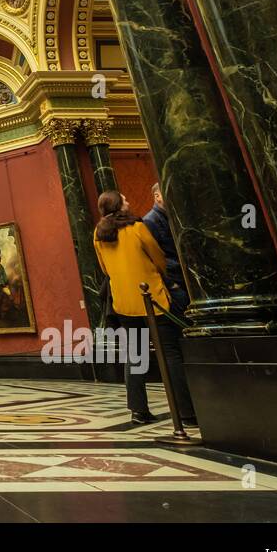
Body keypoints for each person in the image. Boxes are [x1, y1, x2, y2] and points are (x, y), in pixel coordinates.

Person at [92, 190, 197, 427]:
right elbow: (158, 257)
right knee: (169, 353)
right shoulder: (137, 228)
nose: (128, 201)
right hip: (152, 299)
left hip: (123, 304)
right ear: (119, 205)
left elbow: (104, 269)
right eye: (125, 199)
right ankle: (187, 413)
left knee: (134, 356)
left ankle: (138, 411)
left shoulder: (98, 234)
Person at [142, 183, 189, 316]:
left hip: (186, 276)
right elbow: (152, 256)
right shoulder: (149, 221)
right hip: (174, 280)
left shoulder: (176, 216)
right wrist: (170, 284)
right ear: (157, 196)